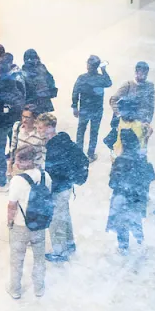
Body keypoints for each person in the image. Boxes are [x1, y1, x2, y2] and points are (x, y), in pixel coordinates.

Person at [36, 112, 89, 262]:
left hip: (58, 188)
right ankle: (70, 243)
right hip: (66, 187)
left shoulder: (54, 146)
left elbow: (55, 170)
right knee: (64, 215)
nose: (38, 130)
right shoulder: (63, 140)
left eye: (41, 128)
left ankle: (59, 252)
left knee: (56, 220)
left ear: (50, 127)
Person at [6, 147, 50, 300]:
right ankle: (39, 287)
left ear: (27, 161)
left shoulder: (17, 180)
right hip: (39, 223)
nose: (16, 163)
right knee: (39, 257)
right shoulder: (45, 176)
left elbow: (12, 205)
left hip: (20, 225)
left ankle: (15, 289)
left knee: (17, 259)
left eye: (19, 160)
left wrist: (9, 222)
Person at [108, 129, 155, 255]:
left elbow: (112, 184)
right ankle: (140, 241)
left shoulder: (120, 161)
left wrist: (113, 168)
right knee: (136, 221)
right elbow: (149, 176)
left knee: (122, 224)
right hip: (136, 198)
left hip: (122, 198)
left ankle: (123, 247)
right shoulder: (141, 157)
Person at [0, 53, 26, 190]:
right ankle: (14, 173)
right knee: (15, 148)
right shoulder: (17, 84)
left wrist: (1, 111)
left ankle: (2, 178)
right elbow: (23, 102)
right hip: (15, 122)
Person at [72, 56, 112, 162]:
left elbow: (75, 92)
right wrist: (104, 70)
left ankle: (79, 154)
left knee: (81, 132)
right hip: (97, 110)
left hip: (85, 109)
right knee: (94, 133)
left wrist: (75, 106)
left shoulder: (82, 78)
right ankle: (90, 154)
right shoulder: (101, 78)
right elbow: (109, 83)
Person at [7, 105, 46, 177]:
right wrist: (10, 165)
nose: (24, 120)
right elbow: (13, 147)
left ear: (35, 119)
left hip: (34, 170)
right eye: (23, 116)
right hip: (19, 168)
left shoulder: (41, 133)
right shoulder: (17, 126)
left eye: (27, 117)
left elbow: (44, 154)